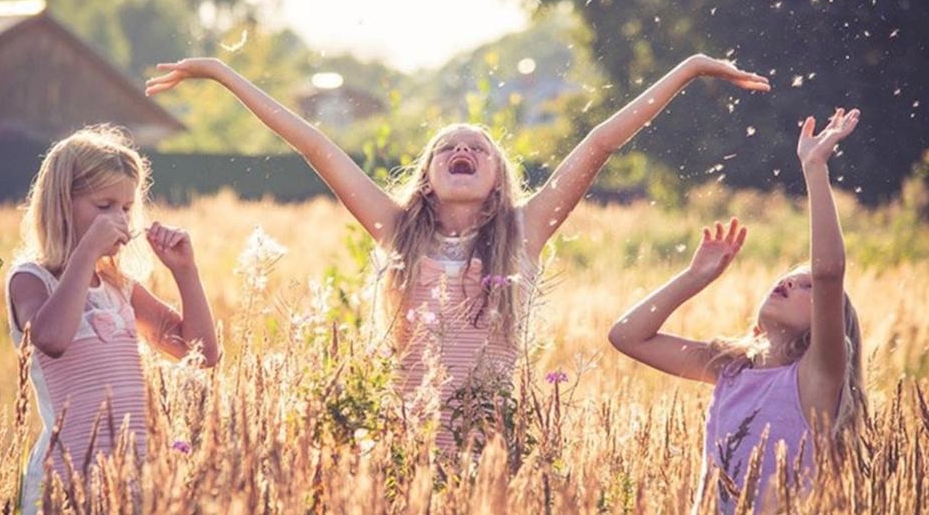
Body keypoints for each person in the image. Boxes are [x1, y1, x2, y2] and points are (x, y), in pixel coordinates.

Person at [145, 54, 769, 453]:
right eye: (446, 148)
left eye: (476, 147)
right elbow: (312, 144)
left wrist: (686, 68)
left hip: (491, 441)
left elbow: (601, 142)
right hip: (402, 435)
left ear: (496, 178)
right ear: (427, 178)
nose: (461, 150)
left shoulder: (523, 236)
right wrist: (222, 74)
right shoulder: (395, 231)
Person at [608, 108, 865, 513]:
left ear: (826, 324)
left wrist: (814, 167)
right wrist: (695, 277)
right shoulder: (730, 369)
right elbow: (626, 336)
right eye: (789, 276)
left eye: (806, 286)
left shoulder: (817, 377)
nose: (790, 282)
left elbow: (830, 273)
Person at [6, 125, 219, 514]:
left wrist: (186, 272)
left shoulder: (120, 288)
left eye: (125, 208)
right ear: (60, 204)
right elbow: (52, 338)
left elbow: (200, 353)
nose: (117, 219)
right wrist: (86, 251)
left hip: (129, 481)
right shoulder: (30, 280)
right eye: (103, 206)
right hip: (66, 481)